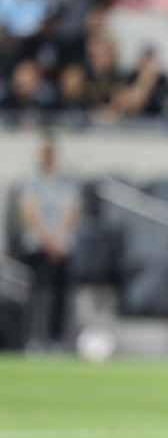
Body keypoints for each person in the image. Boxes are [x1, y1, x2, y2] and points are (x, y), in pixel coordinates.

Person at [18, 139, 80, 349]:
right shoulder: (32, 181)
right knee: (34, 293)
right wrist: (46, 239)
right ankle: (33, 338)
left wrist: (59, 239)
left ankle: (57, 339)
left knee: (61, 294)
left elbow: (72, 212)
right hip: (38, 245)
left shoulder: (67, 181)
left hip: (62, 246)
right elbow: (29, 211)